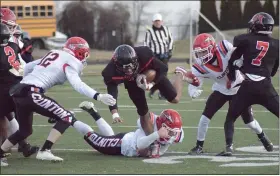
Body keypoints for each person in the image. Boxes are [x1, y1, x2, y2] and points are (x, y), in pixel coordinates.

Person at [0, 36, 116, 165]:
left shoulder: (54, 53)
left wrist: (26, 83)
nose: (84, 58)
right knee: (67, 117)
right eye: (83, 54)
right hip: (31, 92)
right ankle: (45, 150)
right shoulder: (72, 61)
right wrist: (98, 96)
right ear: (79, 52)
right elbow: (78, 84)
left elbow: (27, 68)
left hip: (19, 91)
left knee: (25, 131)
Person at [181, 33, 272, 156]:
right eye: (199, 53)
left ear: (211, 47)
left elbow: (239, 57)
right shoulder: (199, 67)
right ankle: (199, 146)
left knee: (249, 122)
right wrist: (192, 91)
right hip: (221, 89)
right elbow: (195, 81)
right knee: (204, 118)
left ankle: (263, 137)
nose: (200, 56)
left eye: (203, 52)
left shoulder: (224, 47)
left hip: (239, 87)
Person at [220, 12, 279, 156]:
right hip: (266, 87)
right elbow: (273, 71)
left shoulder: (244, 39)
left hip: (247, 87)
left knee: (230, 119)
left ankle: (229, 147)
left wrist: (235, 72)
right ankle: (265, 143)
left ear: (256, 25)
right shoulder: (277, 44)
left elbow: (233, 59)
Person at [101, 44, 187, 137]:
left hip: (151, 74)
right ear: (117, 65)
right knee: (143, 112)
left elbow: (163, 69)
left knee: (175, 99)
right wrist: (115, 114)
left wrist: (152, 84)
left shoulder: (144, 54)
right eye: (126, 68)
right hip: (132, 83)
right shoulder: (110, 72)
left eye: (131, 65)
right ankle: (152, 142)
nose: (130, 70)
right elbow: (112, 94)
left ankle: (179, 73)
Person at [75, 101, 184, 157]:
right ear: (162, 124)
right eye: (169, 130)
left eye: (174, 131)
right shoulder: (149, 122)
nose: (172, 134)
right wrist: (157, 135)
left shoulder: (175, 134)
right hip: (123, 144)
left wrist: (155, 152)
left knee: (109, 136)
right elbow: (140, 145)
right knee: (94, 138)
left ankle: (93, 112)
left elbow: (164, 147)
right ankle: (70, 119)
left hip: (125, 141)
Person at [0, 23, 38, 167]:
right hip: (18, 87)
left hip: (4, 88)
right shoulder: (13, 46)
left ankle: (2, 151)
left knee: (1, 118)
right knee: (22, 123)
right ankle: (23, 145)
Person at [144, 13, 174, 99]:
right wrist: (148, 55)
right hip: (154, 56)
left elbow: (171, 40)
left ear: (162, 21)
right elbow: (146, 44)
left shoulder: (166, 29)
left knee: (163, 74)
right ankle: (156, 90)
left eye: (159, 21)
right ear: (153, 22)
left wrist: (170, 50)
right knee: (157, 74)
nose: (157, 23)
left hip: (164, 55)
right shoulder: (149, 32)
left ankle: (158, 91)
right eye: (156, 21)